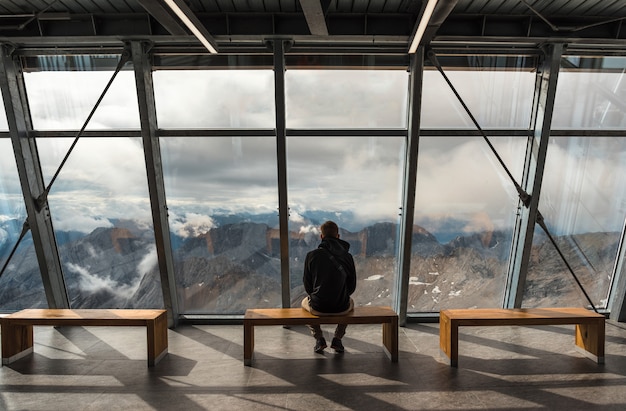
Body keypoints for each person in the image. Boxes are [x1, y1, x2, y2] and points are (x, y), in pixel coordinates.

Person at [301, 220, 357, 354]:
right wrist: (341, 294)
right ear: (338, 236)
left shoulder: (311, 256)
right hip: (341, 307)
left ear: (321, 236)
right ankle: (337, 339)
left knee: (304, 303)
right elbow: (352, 286)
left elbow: (307, 285)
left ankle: (319, 338)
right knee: (351, 303)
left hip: (318, 306)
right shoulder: (348, 257)